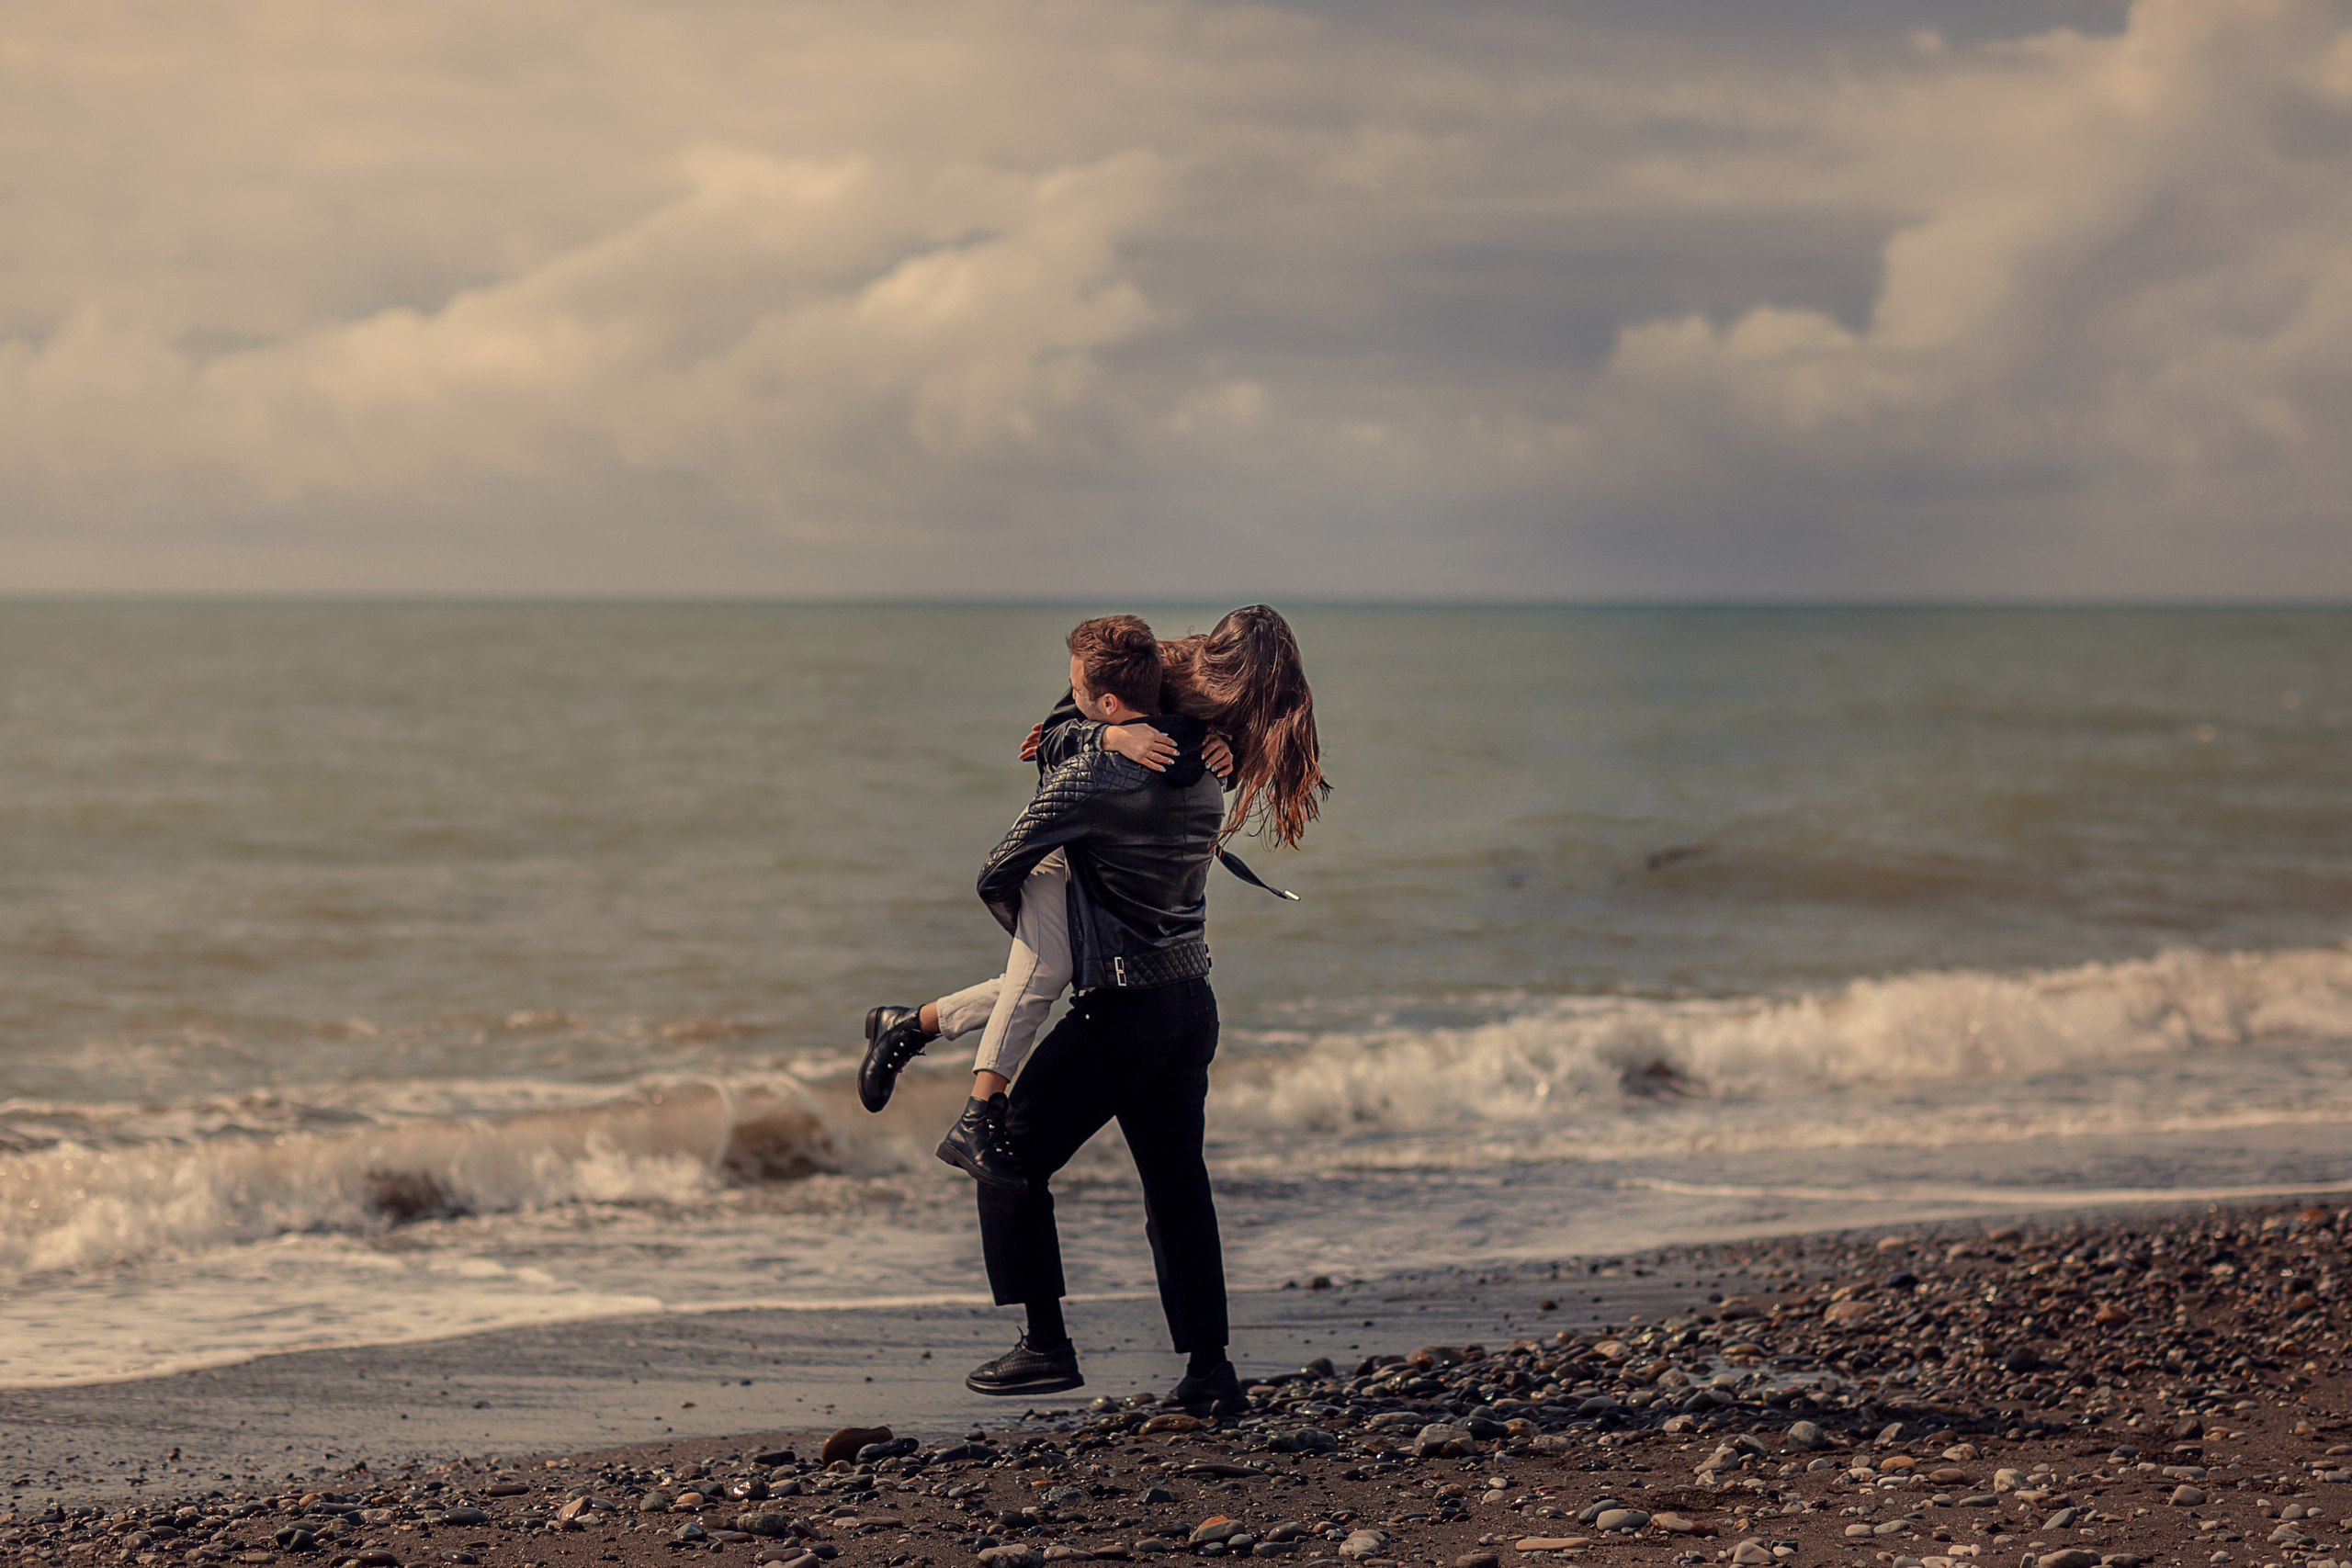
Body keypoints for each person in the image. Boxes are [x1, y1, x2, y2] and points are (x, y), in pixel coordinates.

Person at [858, 605, 1328, 1192]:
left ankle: (911, 1025)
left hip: (1108, 848)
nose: (1244, 702)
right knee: (1044, 974)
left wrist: (1222, 750)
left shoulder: (1234, 708)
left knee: (1044, 975)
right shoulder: (1158, 663)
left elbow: (1186, 775)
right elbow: (1057, 734)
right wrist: (1107, 735)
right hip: (1071, 835)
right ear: (1222, 659)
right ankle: (976, 1111)